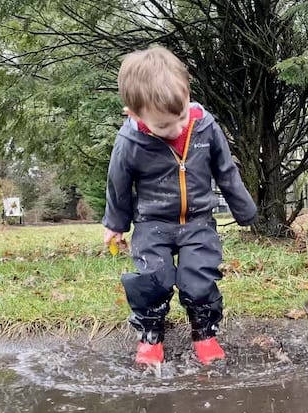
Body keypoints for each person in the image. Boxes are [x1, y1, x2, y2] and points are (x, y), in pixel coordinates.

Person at [103, 46, 257, 365]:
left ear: (187, 95)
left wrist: (244, 209)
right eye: (163, 127)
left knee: (198, 279)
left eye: (181, 117)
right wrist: (115, 224)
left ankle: (205, 333)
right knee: (153, 279)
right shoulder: (130, 141)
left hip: (197, 221)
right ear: (134, 114)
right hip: (151, 223)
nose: (175, 130)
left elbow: (225, 169)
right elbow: (118, 184)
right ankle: (150, 336)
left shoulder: (204, 125)